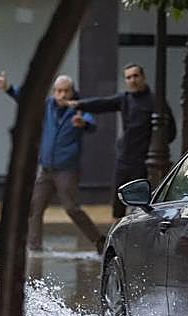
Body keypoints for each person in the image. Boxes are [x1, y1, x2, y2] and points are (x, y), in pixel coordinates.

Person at [0, 70, 104, 253]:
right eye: (58, 91)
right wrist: (8, 88)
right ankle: (34, 248)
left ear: (73, 91)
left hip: (66, 169)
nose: (62, 95)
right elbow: (26, 99)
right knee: (35, 208)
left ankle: (99, 241)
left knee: (72, 209)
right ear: (53, 92)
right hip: (46, 169)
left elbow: (91, 124)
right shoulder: (47, 106)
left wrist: (84, 123)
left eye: (66, 91)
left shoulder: (79, 107)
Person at [66, 63, 175, 218]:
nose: (132, 80)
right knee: (118, 200)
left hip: (145, 161)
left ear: (143, 77)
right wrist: (78, 104)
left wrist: (154, 148)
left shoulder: (155, 101)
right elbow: (103, 103)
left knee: (141, 204)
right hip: (124, 157)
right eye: (128, 77)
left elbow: (170, 131)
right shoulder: (125, 99)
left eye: (136, 76)